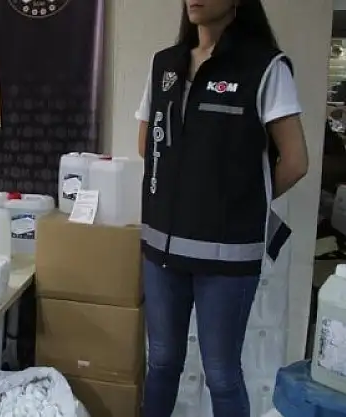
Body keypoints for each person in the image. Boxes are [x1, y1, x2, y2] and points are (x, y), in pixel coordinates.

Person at [135, 1, 309, 417]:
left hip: (226, 256)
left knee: (222, 374)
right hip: (161, 249)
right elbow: (146, 144)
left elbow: (295, 161)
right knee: (161, 363)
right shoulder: (165, 65)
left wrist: (237, 201)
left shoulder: (264, 68)